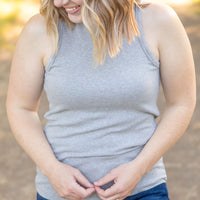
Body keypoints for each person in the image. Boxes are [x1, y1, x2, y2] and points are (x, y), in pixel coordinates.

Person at [6, 0, 196, 199]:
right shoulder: (39, 29)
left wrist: (139, 168)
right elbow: (21, 108)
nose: (59, 3)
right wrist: (51, 169)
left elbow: (181, 103)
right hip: (62, 194)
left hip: (143, 191)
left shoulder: (159, 21)